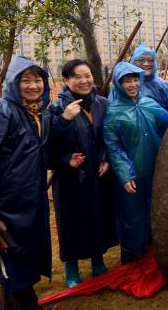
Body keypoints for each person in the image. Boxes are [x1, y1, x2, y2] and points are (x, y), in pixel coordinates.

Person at [0, 56, 62, 308]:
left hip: (30, 201)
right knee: (14, 262)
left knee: (21, 260)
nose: (33, 85)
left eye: (38, 79)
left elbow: (41, 154)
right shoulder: (1, 111)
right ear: (13, 83)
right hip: (6, 206)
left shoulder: (37, 114)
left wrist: (66, 160)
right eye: (25, 80)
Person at [48, 59, 117, 288]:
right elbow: (48, 148)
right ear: (66, 81)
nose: (84, 80)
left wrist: (106, 158)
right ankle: (71, 269)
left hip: (97, 175)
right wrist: (65, 120)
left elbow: (110, 136)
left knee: (98, 215)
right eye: (77, 76)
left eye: (87, 75)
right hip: (70, 178)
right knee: (71, 221)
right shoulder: (56, 108)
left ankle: (98, 261)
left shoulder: (102, 104)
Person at [104, 61, 168, 264]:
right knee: (132, 215)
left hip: (155, 168)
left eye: (135, 79)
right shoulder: (113, 112)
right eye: (127, 81)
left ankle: (154, 250)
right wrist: (125, 174)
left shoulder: (149, 104)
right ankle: (133, 256)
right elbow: (113, 146)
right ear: (118, 83)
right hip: (132, 174)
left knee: (155, 209)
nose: (132, 84)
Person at [109, 42, 168, 114]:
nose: (146, 63)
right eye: (141, 60)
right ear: (133, 62)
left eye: (150, 60)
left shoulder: (164, 86)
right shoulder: (119, 88)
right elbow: (112, 112)